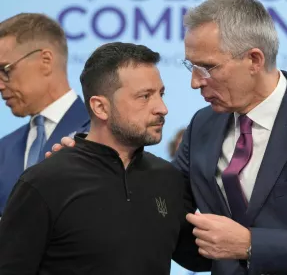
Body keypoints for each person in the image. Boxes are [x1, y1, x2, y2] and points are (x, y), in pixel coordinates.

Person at [48, 0, 287, 275]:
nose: (196, 82)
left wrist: (250, 245)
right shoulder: (203, 125)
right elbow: (162, 207)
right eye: (192, 67)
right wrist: (93, 164)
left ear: (254, 60)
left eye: (208, 68)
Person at [0, 42, 210, 275]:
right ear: (100, 107)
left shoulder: (168, 179)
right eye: (145, 96)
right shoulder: (43, 183)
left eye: (161, 94)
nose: (162, 108)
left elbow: (201, 258)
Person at [0, 13, 90, 215]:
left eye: (5, 70)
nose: (0, 84)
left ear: (46, 60)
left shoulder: (102, 135)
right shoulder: (3, 149)